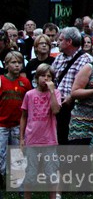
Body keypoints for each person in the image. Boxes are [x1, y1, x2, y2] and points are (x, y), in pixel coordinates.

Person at [19, 63, 60, 199]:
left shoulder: (56, 93)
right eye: (43, 75)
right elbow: (24, 117)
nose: (46, 79)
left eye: (49, 76)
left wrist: (52, 91)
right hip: (32, 139)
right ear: (36, 77)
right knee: (30, 173)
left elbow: (55, 110)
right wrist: (21, 138)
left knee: (51, 173)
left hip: (49, 140)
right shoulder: (29, 94)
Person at [49, 26, 92, 144]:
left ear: (69, 42)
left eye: (61, 40)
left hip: (77, 109)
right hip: (59, 107)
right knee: (60, 142)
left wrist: (72, 97)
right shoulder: (59, 58)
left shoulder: (86, 59)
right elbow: (52, 78)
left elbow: (86, 85)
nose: (57, 42)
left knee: (76, 146)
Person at [0, 51, 30, 184]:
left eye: (19, 62)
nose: (17, 65)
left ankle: (17, 180)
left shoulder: (25, 82)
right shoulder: (1, 80)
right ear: (6, 65)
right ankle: (1, 177)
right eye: (13, 62)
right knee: (1, 152)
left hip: (18, 123)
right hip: (2, 124)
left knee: (17, 152)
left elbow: (28, 101)